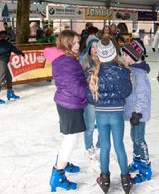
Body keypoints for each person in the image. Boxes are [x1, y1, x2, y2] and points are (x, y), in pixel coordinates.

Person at [44, 30, 88, 192]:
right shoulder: (66, 61)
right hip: (71, 103)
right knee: (71, 139)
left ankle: (64, 159)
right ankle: (58, 174)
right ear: (65, 43)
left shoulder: (65, 57)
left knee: (70, 137)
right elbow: (73, 86)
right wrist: (89, 94)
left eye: (78, 42)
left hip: (67, 101)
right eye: (74, 43)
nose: (77, 46)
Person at [89, 37, 133, 194]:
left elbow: (90, 96)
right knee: (119, 145)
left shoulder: (95, 72)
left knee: (105, 147)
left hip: (101, 114)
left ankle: (105, 179)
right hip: (116, 114)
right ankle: (126, 180)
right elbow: (128, 91)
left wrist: (100, 102)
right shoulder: (123, 71)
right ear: (114, 53)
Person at [121, 40, 152, 184]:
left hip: (138, 114)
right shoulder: (132, 70)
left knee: (139, 139)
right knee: (134, 137)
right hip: (134, 114)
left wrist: (137, 113)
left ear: (133, 56)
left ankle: (146, 168)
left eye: (125, 55)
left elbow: (143, 95)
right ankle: (137, 161)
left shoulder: (139, 74)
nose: (123, 57)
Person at [0, 31, 24, 104]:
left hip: (1, 62)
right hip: (2, 62)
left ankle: (10, 92)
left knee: (9, 77)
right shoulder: (7, 44)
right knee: (2, 78)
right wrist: (21, 53)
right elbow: (15, 50)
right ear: (6, 37)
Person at [79, 36, 100, 161]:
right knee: (90, 126)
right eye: (93, 47)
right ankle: (88, 146)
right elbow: (80, 81)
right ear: (89, 48)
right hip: (90, 98)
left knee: (103, 125)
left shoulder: (104, 61)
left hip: (102, 99)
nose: (95, 49)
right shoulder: (85, 62)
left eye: (98, 46)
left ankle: (100, 144)